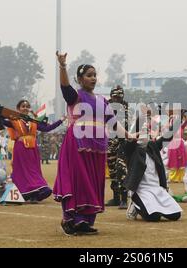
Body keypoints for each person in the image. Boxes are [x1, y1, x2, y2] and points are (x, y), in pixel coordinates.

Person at [53, 51, 130, 235]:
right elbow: (64, 86)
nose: (93, 78)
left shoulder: (103, 100)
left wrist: (128, 135)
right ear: (80, 79)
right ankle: (70, 219)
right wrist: (63, 66)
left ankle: (84, 221)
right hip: (78, 143)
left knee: (94, 182)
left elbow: (112, 122)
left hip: (97, 146)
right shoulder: (75, 97)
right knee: (79, 180)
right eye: (89, 75)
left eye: (95, 75)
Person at [4, 100, 63, 203]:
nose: (25, 108)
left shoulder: (33, 122)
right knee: (22, 170)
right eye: (23, 106)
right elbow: (2, 122)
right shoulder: (14, 120)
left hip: (33, 150)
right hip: (21, 149)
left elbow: (47, 128)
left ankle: (33, 193)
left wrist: (61, 120)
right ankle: (24, 191)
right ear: (18, 108)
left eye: (27, 106)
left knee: (34, 170)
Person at [124, 124, 183, 222]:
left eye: (146, 133)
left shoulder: (153, 147)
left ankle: (151, 207)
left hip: (156, 188)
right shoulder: (131, 150)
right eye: (141, 133)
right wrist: (141, 119)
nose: (144, 135)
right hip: (141, 190)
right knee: (153, 217)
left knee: (175, 215)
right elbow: (130, 140)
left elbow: (167, 137)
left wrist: (178, 121)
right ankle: (134, 204)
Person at [106, 85, 129, 209]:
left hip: (122, 143)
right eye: (115, 96)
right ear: (111, 96)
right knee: (112, 172)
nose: (117, 99)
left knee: (121, 170)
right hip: (109, 144)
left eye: (119, 96)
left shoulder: (126, 108)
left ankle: (124, 199)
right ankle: (116, 198)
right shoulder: (107, 107)